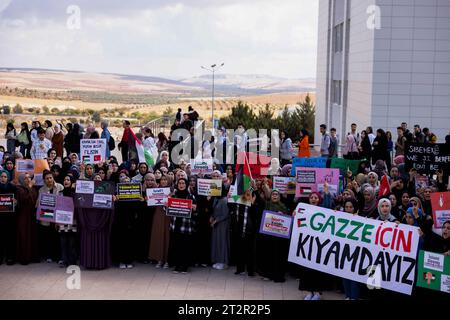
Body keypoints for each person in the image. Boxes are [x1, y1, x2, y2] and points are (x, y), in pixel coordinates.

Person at [258, 189, 289, 283]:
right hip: (268, 236)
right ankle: (268, 274)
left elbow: (288, 219)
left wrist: (283, 214)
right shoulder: (266, 204)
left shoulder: (283, 206)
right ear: (270, 196)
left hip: (279, 238)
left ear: (279, 197)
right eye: (273, 194)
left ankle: (277, 276)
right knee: (268, 255)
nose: (275, 196)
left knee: (278, 256)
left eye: (277, 194)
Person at [168, 178, 197, 274]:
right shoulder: (173, 196)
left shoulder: (191, 196)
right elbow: (167, 211)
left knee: (185, 247)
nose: (181, 185)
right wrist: (166, 205)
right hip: (175, 225)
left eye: (183, 183)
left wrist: (194, 208)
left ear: (186, 184)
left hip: (186, 227)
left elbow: (196, 212)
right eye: (179, 183)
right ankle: (177, 266)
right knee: (176, 246)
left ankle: (184, 266)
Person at [38, 170, 64, 263]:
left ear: (53, 178)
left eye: (50, 178)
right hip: (47, 216)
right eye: (47, 178)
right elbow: (38, 204)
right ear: (44, 180)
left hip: (58, 216)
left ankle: (59, 257)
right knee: (48, 237)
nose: (49, 180)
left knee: (58, 237)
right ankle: (49, 256)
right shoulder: (41, 190)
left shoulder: (60, 187)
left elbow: (64, 201)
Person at [148, 174, 172, 268]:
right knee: (158, 236)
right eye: (162, 179)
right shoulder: (155, 190)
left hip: (168, 216)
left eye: (165, 180)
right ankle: (159, 259)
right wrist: (148, 199)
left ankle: (167, 260)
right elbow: (151, 204)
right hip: (158, 214)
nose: (163, 181)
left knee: (167, 237)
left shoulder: (173, 191)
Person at [15, 172, 39, 265]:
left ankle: (33, 256)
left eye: (29, 177)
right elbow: (24, 199)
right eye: (25, 178)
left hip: (32, 215)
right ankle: (24, 258)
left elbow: (35, 199)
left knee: (32, 236)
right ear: (21, 180)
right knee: (24, 236)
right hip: (23, 216)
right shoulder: (19, 189)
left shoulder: (33, 188)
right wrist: (29, 187)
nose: (28, 179)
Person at [341, 198, 361, 300]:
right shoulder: (339, 217)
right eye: (346, 207)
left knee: (353, 276)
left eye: (351, 207)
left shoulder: (360, 219)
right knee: (345, 274)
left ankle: (354, 297)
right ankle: (348, 295)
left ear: (355, 208)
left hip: (355, 252)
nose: (348, 209)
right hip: (343, 250)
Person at [59, 175, 78, 267]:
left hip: (72, 222)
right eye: (65, 179)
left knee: (72, 243)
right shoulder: (60, 193)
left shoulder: (74, 192)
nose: (66, 181)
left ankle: (72, 261)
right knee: (63, 243)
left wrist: (73, 190)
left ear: (71, 182)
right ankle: (64, 260)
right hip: (62, 221)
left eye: (68, 180)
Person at [210, 185, 230, 270]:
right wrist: (211, 217)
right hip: (216, 224)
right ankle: (218, 260)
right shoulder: (216, 199)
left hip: (223, 224)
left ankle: (223, 262)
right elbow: (213, 210)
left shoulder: (225, 200)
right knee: (217, 242)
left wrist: (216, 220)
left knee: (222, 242)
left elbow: (225, 214)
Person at [0, 170, 17, 265]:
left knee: (10, 238)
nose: (3, 178)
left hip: (10, 218)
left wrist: (15, 202)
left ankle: (10, 257)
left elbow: (17, 201)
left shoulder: (13, 188)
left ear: (8, 178)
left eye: (5, 177)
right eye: (1, 177)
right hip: (0, 218)